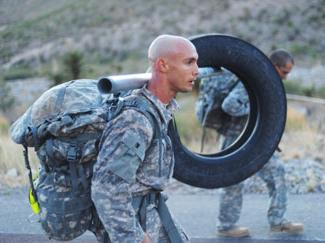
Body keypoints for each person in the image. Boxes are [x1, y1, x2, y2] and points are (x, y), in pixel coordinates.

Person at [91, 34, 199, 243]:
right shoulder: (136, 120)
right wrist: (135, 238)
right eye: (189, 62)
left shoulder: (158, 110)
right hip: (132, 222)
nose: (197, 70)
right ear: (162, 65)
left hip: (152, 212)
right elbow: (106, 189)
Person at [197, 49, 304, 238]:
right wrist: (256, 111)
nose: (285, 77)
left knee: (277, 172)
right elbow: (229, 105)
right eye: (284, 72)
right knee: (234, 180)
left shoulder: (266, 80)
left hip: (256, 140)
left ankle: (278, 222)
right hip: (237, 139)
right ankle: (226, 227)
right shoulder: (255, 80)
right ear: (274, 66)